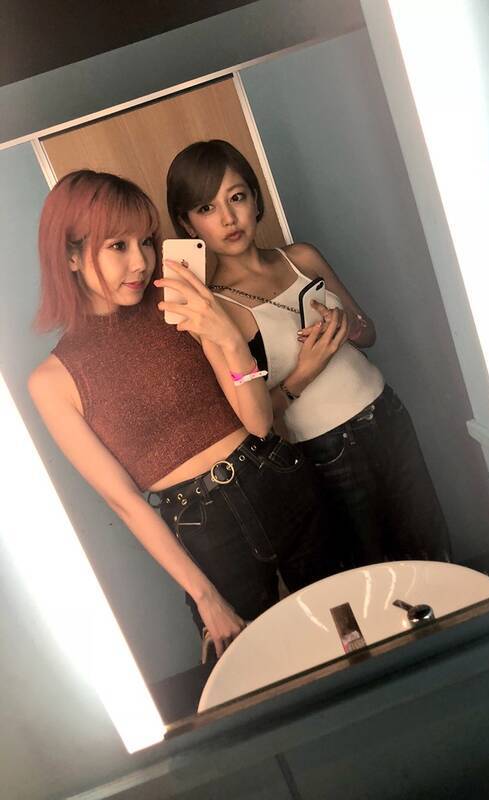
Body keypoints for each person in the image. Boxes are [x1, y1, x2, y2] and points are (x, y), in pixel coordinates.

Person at [29, 169, 337, 659]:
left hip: (275, 477)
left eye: (144, 242)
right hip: (202, 533)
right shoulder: (53, 381)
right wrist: (204, 597)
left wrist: (227, 336)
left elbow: (258, 423)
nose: (140, 261)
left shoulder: (179, 303)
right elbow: (124, 502)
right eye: (118, 246)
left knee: (345, 633)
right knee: (257, 674)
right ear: (70, 255)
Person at [166, 140, 452, 568]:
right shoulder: (215, 312)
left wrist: (345, 325)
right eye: (207, 208)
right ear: (188, 225)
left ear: (255, 199)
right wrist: (307, 370)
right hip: (326, 449)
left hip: (386, 412)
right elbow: (255, 423)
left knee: (435, 548)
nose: (228, 218)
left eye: (236, 197)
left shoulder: (301, 257)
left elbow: (368, 333)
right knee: (375, 571)